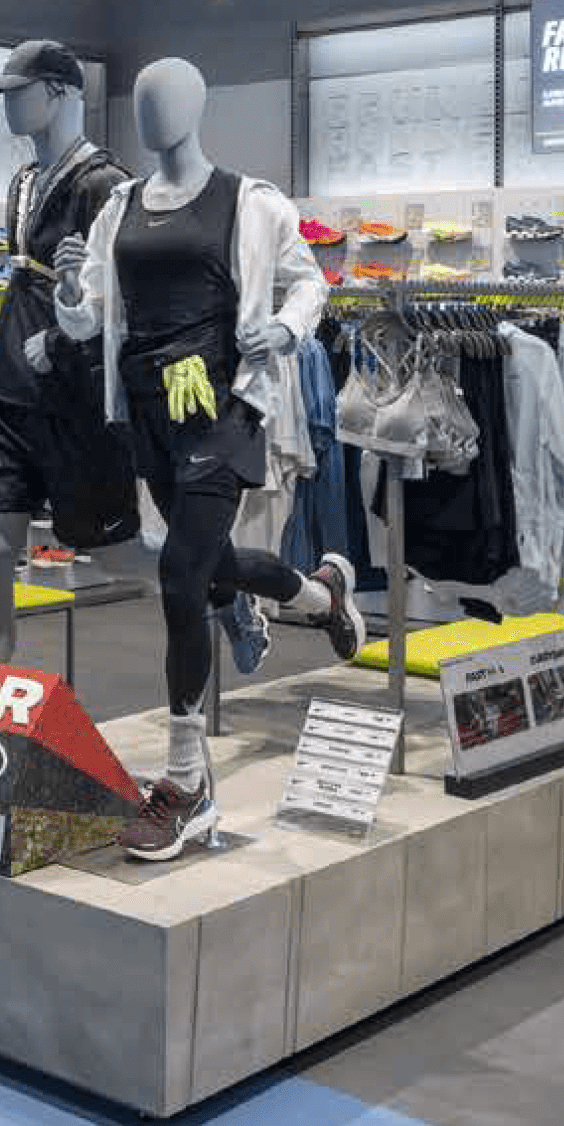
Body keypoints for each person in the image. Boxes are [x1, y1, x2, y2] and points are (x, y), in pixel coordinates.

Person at [55, 57, 366, 860]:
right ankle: (321, 594)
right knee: (211, 563)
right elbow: (91, 316)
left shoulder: (250, 201)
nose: (152, 113)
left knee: (180, 576)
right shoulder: (120, 206)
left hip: (223, 407)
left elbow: (308, 284)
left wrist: (286, 329)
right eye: (143, 102)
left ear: (196, 107)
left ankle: (186, 783)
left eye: (166, 100)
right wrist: (69, 302)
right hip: (147, 410)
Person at [0, 39, 139, 663]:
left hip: (74, 399)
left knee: (118, 555)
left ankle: (223, 589)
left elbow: (127, 302)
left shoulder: (107, 186)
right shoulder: (24, 182)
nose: (7, 106)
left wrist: (63, 335)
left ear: (59, 92)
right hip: (10, 388)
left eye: (18, 93)